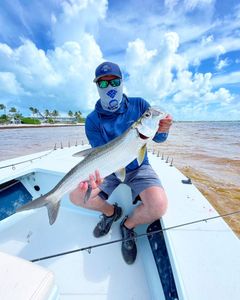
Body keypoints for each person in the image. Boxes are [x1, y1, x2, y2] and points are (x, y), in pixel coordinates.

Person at [70, 62, 173, 265]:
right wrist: (96, 177)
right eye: (104, 83)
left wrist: (163, 128)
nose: (110, 87)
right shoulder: (92, 120)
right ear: (97, 86)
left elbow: (159, 139)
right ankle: (111, 212)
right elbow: (99, 153)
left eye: (114, 81)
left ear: (122, 82)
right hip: (109, 169)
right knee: (76, 196)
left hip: (139, 166)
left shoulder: (140, 106)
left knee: (158, 205)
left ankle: (128, 225)